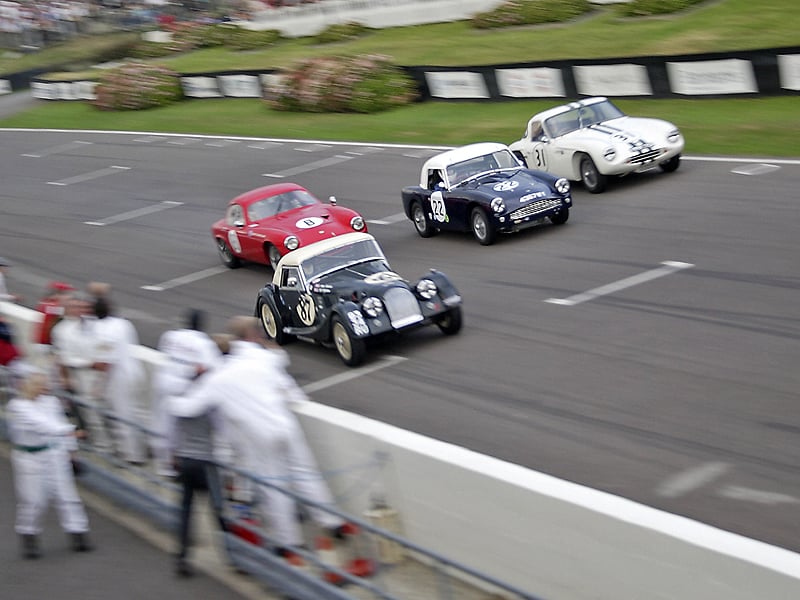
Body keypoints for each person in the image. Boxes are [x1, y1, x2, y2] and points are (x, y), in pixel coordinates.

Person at [168, 316, 347, 560]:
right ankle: (332, 522)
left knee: (274, 487)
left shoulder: (219, 376)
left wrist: (172, 394)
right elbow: (292, 392)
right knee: (306, 473)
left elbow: (187, 407)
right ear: (252, 335)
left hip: (260, 436)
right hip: (286, 424)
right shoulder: (264, 358)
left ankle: (289, 543)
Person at [6, 364, 93, 558]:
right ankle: (29, 533)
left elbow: (58, 422)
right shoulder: (18, 407)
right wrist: (70, 431)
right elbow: (43, 424)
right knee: (34, 500)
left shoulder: (50, 402)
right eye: (37, 383)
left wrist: (72, 452)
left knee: (68, 496)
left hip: (54, 453)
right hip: (30, 457)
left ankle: (78, 532)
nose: (43, 387)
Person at [152, 309, 221, 477]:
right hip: (183, 388)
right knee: (182, 431)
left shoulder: (170, 336)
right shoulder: (205, 343)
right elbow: (209, 369)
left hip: (163, 383)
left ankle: (165, 466)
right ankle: (179, 465)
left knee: (164, 426)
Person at [89, 295, 146, 463]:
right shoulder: (123, 323)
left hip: (118, 377)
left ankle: (132, 455)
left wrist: (98, 384)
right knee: (137, 412)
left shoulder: (100, 329)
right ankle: (142, 447)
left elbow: (105, 362)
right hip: (135, 370)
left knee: (123, 416)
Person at [34, 281, 75, 346]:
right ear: (58, 294)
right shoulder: (54, 307)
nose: (71, 297)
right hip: (47, 344)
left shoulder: (45, 302)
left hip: (42, 341)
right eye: (67, 294)